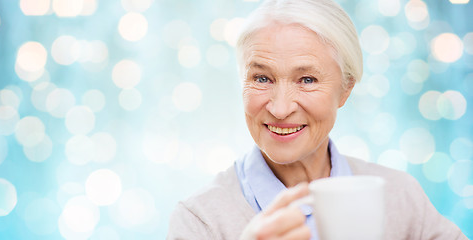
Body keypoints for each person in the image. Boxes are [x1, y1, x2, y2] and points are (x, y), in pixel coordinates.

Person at [167, 0, 467, 239]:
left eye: (307, 79)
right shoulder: (199, 221)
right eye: (261, 78)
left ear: (345, 90)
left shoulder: (401, 197)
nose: (281, 109)